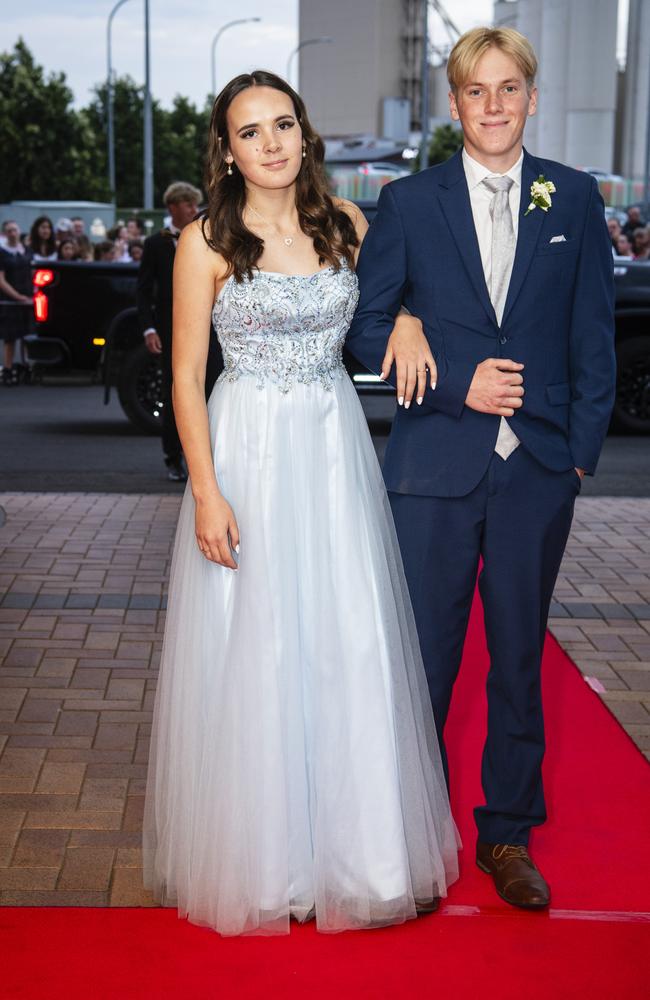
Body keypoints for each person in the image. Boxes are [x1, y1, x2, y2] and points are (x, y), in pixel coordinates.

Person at [142, 70, 459, 936]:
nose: (272, 143)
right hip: (247, 452)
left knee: (347, 638)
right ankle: (269, 859)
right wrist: (206, 493)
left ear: (304, 132)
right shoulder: (205, 242)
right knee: (260, 646)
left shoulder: (348, 225)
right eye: (251, 132)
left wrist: (406, 321)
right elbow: (183, 377)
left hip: (332, 448)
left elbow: (400, 304)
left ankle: (360, 857)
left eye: (283, 124)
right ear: (227, 150)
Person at [346, 27, 616, 910]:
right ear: (453, 103)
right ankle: (408, 841)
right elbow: (364, 326)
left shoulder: (572, 198)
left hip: (538, 469)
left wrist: (576, 456)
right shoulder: (409, 202)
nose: (493, 105)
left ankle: (506, 834)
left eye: (509, 89)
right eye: (475, 91)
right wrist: (451, 372)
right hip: (434, 468)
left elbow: (592, 335)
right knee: (423, 660)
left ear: (531, 99)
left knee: (515, 661)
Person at [136, 182, 222, 482]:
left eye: (194, 205)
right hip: (171, 331)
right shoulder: (156, 243)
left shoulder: (210, 238)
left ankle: (208, 457)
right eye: (187, 205)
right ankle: (172, 457)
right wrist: (149, 328)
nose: (192, 210)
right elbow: (144, 291)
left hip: (210, 329)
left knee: (213, 390)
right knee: (176, 391)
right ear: (174, 207)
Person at [0, 221, 33, 386]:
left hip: (28, 298)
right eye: (9, 231)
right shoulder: (2, 253)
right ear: (5, 234)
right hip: (10, 299)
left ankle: (26, 366)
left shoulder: (27, 251)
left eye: (15, 229)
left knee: (27, 335)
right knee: (10, 337)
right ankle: (7, 368)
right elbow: (1, 280)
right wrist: (17, 296)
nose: (13, 233)